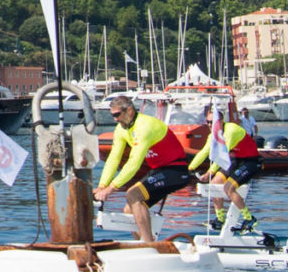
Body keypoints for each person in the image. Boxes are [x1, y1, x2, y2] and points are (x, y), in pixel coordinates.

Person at [98, 96, 194, 242]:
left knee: (133, 195)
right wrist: (102, 185)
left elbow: (134, 162)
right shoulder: (121, 129)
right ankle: (141, 244)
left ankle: (149, 245)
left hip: (175, 170)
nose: (115, 119)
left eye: (117, 114)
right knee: (129, 209)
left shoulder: (144, 126)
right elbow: (114, 158)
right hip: (159, 170)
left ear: (129, 111)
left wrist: (111, 188)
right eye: (113, 115)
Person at [189, 107, 263, 235]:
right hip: (237, 160)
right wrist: (189, 168)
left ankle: (249, 218)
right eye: (208, 122)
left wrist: (209, 172)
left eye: (213, 122)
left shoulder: (231, 131)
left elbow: (222, 155)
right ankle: (220, 219)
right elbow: (204, 152)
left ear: (222, 121)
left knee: (228, 188)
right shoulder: (212, 135)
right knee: (214, 185)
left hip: (251, 162)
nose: (210, 125)